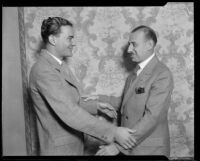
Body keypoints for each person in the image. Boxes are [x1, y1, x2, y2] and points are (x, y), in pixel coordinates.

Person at [28, 17, 136, 155]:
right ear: (53, 40)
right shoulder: (44, 70)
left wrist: (96, 106)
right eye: (69, 38)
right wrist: (113, 132)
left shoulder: (59, 66)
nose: (73, 43)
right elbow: (69, 111)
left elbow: (68, 100)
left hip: (73, 146)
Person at [86, 25, 174, 158]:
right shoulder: (134, 74)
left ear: (149, 44)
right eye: (129, 45)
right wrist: (98, 98)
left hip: (149, 150)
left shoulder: (162, 74)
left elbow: (152, 117)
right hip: (132, 149)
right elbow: (126, 102)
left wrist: (118, 146)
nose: (129, 50)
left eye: (134, 44)